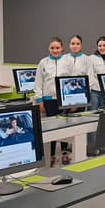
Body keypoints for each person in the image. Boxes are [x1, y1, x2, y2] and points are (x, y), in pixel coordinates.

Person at [34, 37, 72, 165]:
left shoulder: (67, 62)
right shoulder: (43, 63)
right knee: (51, 127)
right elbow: (38, 83)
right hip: (48, 101)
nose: (55, 50)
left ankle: (65, 154)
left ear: (62, 48)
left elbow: (71, 82)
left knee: (64, 127)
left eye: (57, 48)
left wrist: (71, 100)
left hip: (63, 100)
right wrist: (39, 100)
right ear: (49, 49)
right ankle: (51, 155)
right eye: (52, 48)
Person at [88, 36, 105, 111]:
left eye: (104, 45)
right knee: (93, 113)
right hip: (95, 92)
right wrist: (97, 86)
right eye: (99, 46)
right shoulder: (92, 58)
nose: (102, 48)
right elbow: (90, 75)